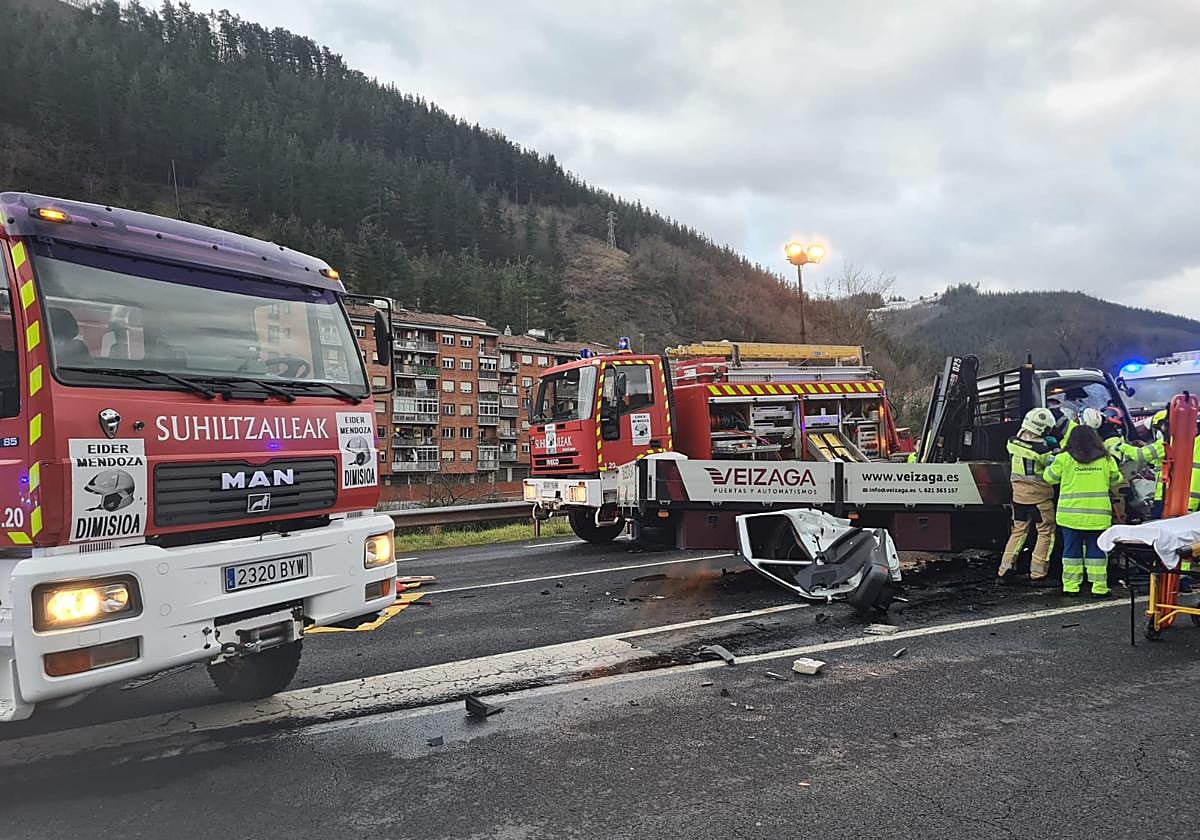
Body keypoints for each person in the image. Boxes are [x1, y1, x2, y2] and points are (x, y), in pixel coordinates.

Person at [1043, 425, 1123, 596]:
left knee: (1071, 550)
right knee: (1097, 550)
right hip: (1098, 516)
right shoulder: (1106, 459)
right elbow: (1117, 479)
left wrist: (1050, 463)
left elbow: (1049, 478)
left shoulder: (1064, 458)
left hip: (1070, 515)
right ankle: (1099, 587)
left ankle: (1071, 586)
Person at [998, 407, 1059, 585]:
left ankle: (1005, 570)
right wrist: (1056, 448)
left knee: (1018, 532)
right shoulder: (1042, 450)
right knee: (1045, 532)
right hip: (1039, 498)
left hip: (1019, 496)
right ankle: (1038, 574)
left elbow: (1024, 442)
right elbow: (1055, 465)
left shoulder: (1011, 442)